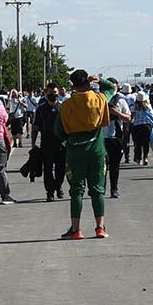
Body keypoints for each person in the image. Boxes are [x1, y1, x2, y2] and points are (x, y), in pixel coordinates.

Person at [55, 69, 109, 240]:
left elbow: (58, 130)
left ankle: (76, 230)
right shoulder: (99, 100)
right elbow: (112, 88)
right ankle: (100, 227)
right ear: (88, 82)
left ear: (73, 85)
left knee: (76, 190)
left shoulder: (66, 106)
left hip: (75, 153)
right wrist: (99, 80)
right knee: (97, 190)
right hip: (97, 151)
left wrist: (68, 143)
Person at [31, 82, 65, 202]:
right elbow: (35, 127)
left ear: (58, 92)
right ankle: (50, 192)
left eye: (54, 92)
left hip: (61, 144)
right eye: (50, 92)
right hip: (46, 143)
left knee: (61, 169)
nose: (52, 95)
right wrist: (33, 143)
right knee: (48, 169)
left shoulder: (63, 108)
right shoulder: (41, 109)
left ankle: (59, 185)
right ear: (46, 93)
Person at [100, 78, 132, 199]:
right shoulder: (100, 99)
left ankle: (114, 189)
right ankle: (101, 187)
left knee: (114, 165)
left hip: (116, 137)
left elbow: (128, 118)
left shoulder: (121, 100)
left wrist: (117, 113)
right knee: (101, 166)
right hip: (102, 137)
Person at [129, 91, 153, 166]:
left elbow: (131, 116)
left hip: (137, 126)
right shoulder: (147, 106)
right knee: (145, 143)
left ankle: (139, 158)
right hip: (146, 126)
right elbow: (152, 116)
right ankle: (145, 157)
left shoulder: (134, 106)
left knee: (138, 143)